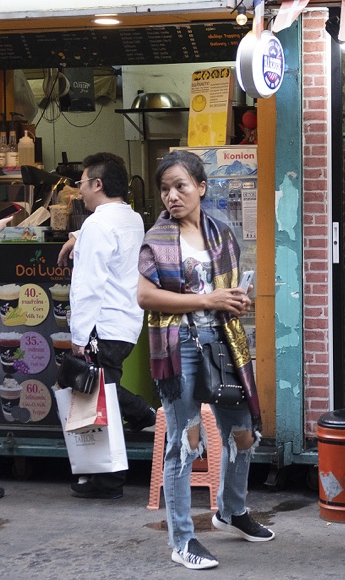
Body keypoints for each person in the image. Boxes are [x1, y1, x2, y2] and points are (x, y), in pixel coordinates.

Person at [137, 150, 273, 570]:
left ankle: (231, 510)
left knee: (243, 433)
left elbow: (226, 292)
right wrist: (206, 299)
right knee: (186, 440)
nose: (172, 196)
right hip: (179, 346)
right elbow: (144, 296)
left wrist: (234, 301)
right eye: (165, 189)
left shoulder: (221, 234)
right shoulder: (157, 239)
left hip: (223, 341)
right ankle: (182, 539)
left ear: (201, 187)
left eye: (180, 186)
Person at [64, 153, 157, 500]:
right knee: (97, 393)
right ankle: (102, 478)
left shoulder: (97, 225)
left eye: (82, 183)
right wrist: (77, 236)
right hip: (126, 323)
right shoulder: (130, 218)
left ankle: (145, 415)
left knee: (98, 393)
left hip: (102, 326)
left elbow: (88, 285)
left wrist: (78, 336)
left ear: (97, 185)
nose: (79, 192)